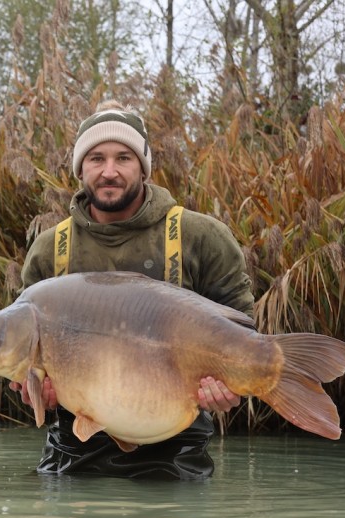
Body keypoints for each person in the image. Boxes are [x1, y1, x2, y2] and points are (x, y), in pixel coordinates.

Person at [15, 100, 255, 480]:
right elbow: (27, 356)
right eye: (96, 159)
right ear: (81, 168)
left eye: (123, 158)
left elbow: (243, 334)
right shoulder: (49, 249)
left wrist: (231, 386)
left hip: (175, 447)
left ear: (142, 166)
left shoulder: (201, 236)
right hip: (72, 450)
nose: (109, 172)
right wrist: (34, 391)